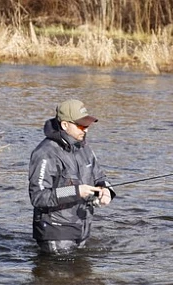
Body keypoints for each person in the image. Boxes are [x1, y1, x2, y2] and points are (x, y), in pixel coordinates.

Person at [28, 99, 115, 254]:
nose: (86, 130)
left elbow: (100, 177)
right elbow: (38, 197)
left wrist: (107, 191)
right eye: (81, 125)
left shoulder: (84, 148)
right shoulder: (45, 153)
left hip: (82, 228)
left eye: (87, 125)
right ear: (65, 125)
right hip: (56, 233)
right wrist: (75, 191)